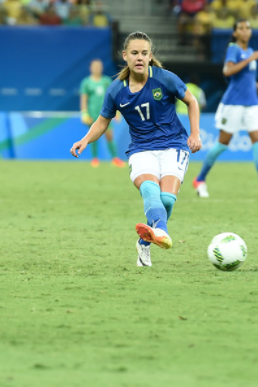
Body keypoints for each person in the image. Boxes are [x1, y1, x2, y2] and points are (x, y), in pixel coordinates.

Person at [70, 32, 203, 267]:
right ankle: (161, 230)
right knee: (151, 191)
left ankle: (145, 243)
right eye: (134, 53)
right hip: (141, 149)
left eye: (144, 53)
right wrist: (85, 139)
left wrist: (194, 133)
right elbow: (103, 120)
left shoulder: (165, 79)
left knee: (167, 200)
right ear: (125, 56)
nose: (139, 57)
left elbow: (192, 101)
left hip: (174, 145)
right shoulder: (115, 90)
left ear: (150, 56)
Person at [193, 20, 258, 198]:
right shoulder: (234, 49)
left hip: (252, 104)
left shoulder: (249, 51)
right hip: (233, 104)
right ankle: (200, 178)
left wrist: (257, 86)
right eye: (241, 28)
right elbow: (228, 71)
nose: (245, 31)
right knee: (222, 144)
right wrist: (250, 59)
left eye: (248, 28)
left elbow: (245, 75)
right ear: (235, 33)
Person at [79, 59, 125, 168]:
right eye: (95, 66)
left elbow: (113, 96)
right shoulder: (86, 82)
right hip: (92, 113)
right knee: (92, 136)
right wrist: (84, 113)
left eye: (99, 66)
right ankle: (94, 159)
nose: (97, 68)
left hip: (106, 113)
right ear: (91, 68)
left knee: (109, 136)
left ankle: (115, 158)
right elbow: (84, 99)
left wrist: (117, 111)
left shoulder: (106, 81)